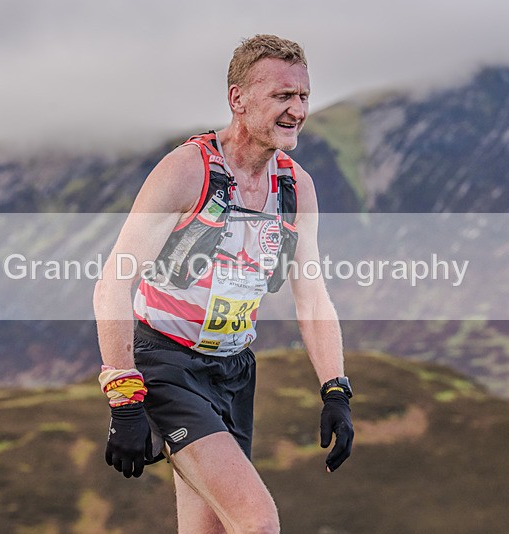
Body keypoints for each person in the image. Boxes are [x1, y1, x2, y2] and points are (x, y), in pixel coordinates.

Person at [93, 34, 354, 534]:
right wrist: (124, 395)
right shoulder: (186, 171)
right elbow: (112, 286)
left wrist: (336, 390)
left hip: (234, 373)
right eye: (282, 96)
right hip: (166, 364)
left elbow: (312, 293)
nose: (297, 110)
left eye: (303, 96)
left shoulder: (296, 186)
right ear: (238, 99)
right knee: (256, 522)